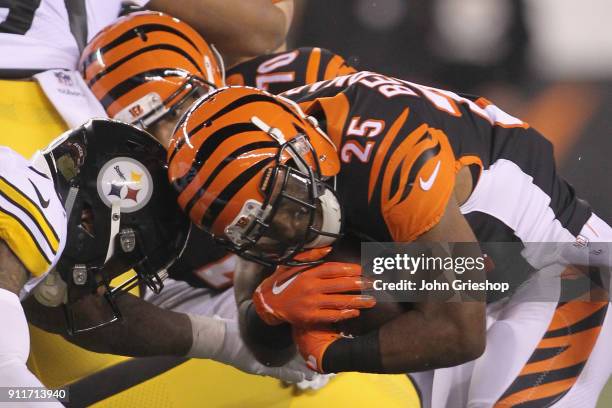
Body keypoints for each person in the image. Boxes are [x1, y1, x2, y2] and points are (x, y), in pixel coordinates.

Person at [165, 73, 612, 407]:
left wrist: (333, 353)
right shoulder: (265, 174)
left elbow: (459, 330)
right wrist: (268, 310)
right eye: (256, 232)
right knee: (337, 277)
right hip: (467, 277)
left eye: (288, 205)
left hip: (560, 270)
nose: (286, 230)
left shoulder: (389, 154)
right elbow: (266, 342)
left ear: (307, 151)